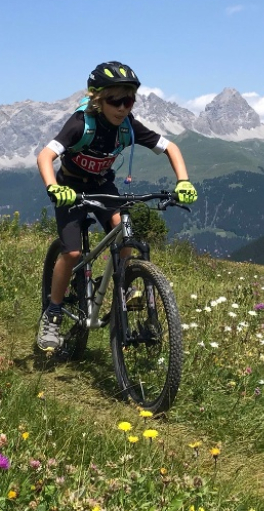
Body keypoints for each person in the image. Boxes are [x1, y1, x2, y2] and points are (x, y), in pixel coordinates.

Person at [35, 61, 198, 351]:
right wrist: (54, 188)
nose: (123, 107)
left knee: (125, 231)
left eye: (129, 100)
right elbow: (45, 156)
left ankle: (123, 281)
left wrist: (183, 181)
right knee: (72, 252)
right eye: (115, 100)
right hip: (70, 187)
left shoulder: (128, 126)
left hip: (102, 186)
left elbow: (170, 147)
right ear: (98, 99)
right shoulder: (80, 124)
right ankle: (53, 314)